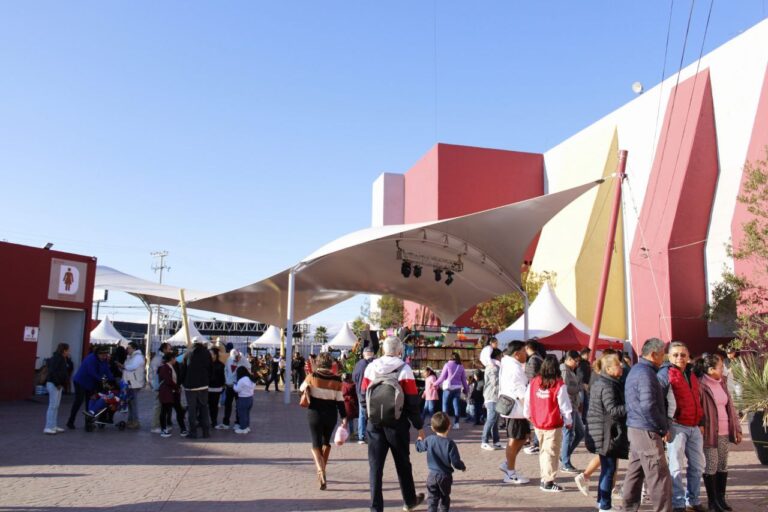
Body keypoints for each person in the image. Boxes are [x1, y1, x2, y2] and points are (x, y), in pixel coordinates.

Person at [361, 336, 425, 512]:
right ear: (399, 351)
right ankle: (409, 500)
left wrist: (370, 415)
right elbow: (412, 402)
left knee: (375, 467)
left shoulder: (371, 367)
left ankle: (375, 507)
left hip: (374, 424)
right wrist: (419, 426)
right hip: (397, 424)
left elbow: (362, 396)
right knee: (403, 463)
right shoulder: (404, 369)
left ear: (383, 350)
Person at [623, 337, 672, 512]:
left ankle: (628, 509)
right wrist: (662, 427)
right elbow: (648, 405)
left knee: (635, 473)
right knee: (659, 475)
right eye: (662, 355)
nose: (664, 358)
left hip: (637, 427)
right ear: (653, 354)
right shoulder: (645, 373)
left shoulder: (638, 370)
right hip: (646, 429)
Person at [656, 341, 706, 512]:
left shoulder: (691, 374)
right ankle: (678, 503)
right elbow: (659, 402)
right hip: (676, 426)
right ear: (669, 356)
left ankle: (692, 500)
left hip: (694, 426)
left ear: (688, 356)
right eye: (675, 354)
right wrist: (664, 427)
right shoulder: (665, 374)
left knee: (698, 465)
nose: (679, 358)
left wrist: (701, 422)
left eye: (683, 355)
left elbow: (697, 401)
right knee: (676, 466)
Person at [696, 353, 742, 512]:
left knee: (723, 465)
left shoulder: (722, 382)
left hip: (724, 431)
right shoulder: (701, 385)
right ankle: (712, 501)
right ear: (710, 370)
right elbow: (698, 409)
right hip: (710, 432)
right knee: (711, 465)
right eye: (720, 366)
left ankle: (721, 498)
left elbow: (730, 407)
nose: (723, 369)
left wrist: (737, 428)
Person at [584, 353, 628, 511]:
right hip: (606, 432)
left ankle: (601, 501)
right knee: (609, 469)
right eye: (618, 365)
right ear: (608, 369)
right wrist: (631, 405)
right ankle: (605, 506)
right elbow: (613, 410)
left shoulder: (603, 382)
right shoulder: (608, 385)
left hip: (602, 431)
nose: (621, 367)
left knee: (607, 469)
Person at [524, 354, 573, 492]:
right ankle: (548, 482)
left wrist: (527, 414)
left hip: (538, 422)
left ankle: (544, 477)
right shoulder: (558, 384)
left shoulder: (534, 381)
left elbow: (527, 399)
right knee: (551, 453)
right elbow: (564, 405)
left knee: (544, 451)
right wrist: (568, 420)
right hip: (552, 423)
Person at [299, 352, 347, 490]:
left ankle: (321, 471)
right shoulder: (337, 380)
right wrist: (344, 417)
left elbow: (301, 390)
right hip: (331, 415)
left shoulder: (312, 376)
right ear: (330, 364)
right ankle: (322, 471)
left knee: (315, 442)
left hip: (314, 413)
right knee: (326, 441)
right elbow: (340, 401)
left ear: (318, 363)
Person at [415, 411, 466, 512]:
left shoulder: (430, 440)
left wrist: (419, 439)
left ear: (433, 428)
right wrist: (462, 466)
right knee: (444, 498)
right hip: (445, 477)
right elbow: (455, 462)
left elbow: (419, 448)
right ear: (449, 426)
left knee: (432, 499)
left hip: (432, 476)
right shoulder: (450, 443)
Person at [498, 340, 531, 485]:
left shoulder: (511, 364)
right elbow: (520, 392)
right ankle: (510, 473)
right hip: (516, 410)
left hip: (516, 409)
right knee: (514, 440)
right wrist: (529, 411)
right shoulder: (514, 368)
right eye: (524, 351)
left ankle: (507, 465)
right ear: (517, 354)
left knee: (523, 438)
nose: (526, 354)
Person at [66, 345, 113, 429]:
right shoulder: (90, 359)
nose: (104, 357)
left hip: (91, 383)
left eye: (105, 355)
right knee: (79, 401)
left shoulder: (104, 360)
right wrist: (102, 381)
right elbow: (92, 373)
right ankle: (70, 421)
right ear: (98, 354)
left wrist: (112, 381)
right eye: (102, 355)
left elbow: (107, 371)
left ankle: (88, 424)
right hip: (81, 381)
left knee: (90, 403)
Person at [559, 350, 584, 473]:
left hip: (573, 405)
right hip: (567, 407)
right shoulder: (564, 371)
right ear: (569, 359)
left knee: (580, 433)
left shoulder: (569, 371)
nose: (577, 364)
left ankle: (564, 455)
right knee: (568, 434)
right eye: (576, 361)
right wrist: (579, 387)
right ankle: (565, 462)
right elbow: (564, 389)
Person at [182, 338, 212, 439]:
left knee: (192, 410)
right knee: (204, 408)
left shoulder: (188, 353)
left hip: (190, 386)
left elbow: (183, 369)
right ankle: (206, 432)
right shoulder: (207, 353)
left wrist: (182, 382)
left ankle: (193, 432)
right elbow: (210, 368)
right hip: (203, 385)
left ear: (193, 343)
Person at [433, 352, 469, 429]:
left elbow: (442, 377)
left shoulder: (447, 365)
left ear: (450, 357)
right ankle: (456, 423)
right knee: (456, 406)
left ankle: (444, 424)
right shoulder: (461, 366)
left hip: (448, 388)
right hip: (457, 388)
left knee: (445, 405)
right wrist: (466, 389)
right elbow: (464, 380)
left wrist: (435, 384)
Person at [158, 352, 188, 438]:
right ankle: (163, 429)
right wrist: (177, 387)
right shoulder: (164, 367)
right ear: (171, 359)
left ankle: (183, 428)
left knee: (178, 410)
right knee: (165, 411)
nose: (175, 359)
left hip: (173, 393)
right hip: (167, 393)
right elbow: (168, 380)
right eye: (174, 358)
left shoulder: (172, 366)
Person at [44, 343, 70, 434]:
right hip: (54, 384)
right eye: (67, 350)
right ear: (64, 350)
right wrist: (58, 383)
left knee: (56, 405)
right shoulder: (57, 358)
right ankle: (48, 426)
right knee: (52, 405)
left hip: (57, 384)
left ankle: (53, 425)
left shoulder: (61, 358)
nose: (68, 352)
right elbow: (53, 371)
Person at [524, 340, 545, 454]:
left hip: (535, 392)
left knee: (535, 419)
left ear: (527, 348)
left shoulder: (533, 360)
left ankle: (537, 443)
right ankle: (537, 442)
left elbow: (532, 379)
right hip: (539, 391)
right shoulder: (539, 357)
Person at [119, 341, 146, 429]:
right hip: (129, 382)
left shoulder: (138, 357)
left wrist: (122, 366)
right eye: (127, 348)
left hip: (134, 382)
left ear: (134, 348)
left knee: (133, 403)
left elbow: (132, 367)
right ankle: (130, 420)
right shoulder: (130, 357)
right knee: (130, 403)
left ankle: (135, 421)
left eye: (129, 347)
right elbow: (127, 367)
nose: (128, 349)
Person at [481, 347, 503, 451]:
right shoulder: (494, 367)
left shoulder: (493, 366)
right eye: (501, 356)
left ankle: (496, 441)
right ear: (498, 356)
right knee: (491, 419)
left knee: (495, 419)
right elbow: (496, 383)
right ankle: (484, 441)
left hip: (493, 396)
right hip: (492, 396)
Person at [352, 346, 375, 443]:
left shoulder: (359, 364)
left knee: (362, 414)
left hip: (360, 391)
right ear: (373, 354)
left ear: (363, 354)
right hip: (372, 391)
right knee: (372, 413)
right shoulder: (374, 364)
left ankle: (361, 435)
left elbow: (354, 378)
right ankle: (369, 435)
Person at [222, 349, 248, 429]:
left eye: (236, 357)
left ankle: (238, 422)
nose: (235, 359)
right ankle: (226, 422)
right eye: (234, 357)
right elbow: (225, 370)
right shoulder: (229, 360)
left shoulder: (242, 360)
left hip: (238, 386)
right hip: (229, 386)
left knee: (238, 405)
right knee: (227, 405)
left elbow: (248, 368)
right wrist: (227, 380)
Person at [150, 342, 172, 434]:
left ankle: (160, 424)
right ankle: (154, 426)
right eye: (169, 349)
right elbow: (155, 373)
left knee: (162, 406)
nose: (170, 350)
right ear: (164, 349)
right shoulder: (158, 359)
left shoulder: (161, 358)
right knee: (158, 406)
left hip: (161, 385)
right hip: (158, 385)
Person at [233, 366, 256, 434]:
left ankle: (243, 428)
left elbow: (237, 389)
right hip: (250, 398)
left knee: (242, 414)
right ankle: (247, 427)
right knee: (247, 414)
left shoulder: (241, 380)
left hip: (243, 399)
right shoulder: (250, 378)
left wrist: (234, 384)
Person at [209, 347, 226, 429]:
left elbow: (223, 377)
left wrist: (222, 386)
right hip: (206, 388)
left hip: (216, 389)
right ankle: (203, 421)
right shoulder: (206, 364)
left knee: (214, 406)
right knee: (205, 406)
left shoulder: (221, 365)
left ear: (215, 355)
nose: (209, 355)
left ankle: (214, 421)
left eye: (211, 354)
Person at [341, 373, 359, 440]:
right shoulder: (352, 385)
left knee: (345, 420)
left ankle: (342, 434)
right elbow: (355, 395)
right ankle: (352, 434)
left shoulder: (342, 385)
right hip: (351, 405)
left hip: (344, 405)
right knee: (351, 420)